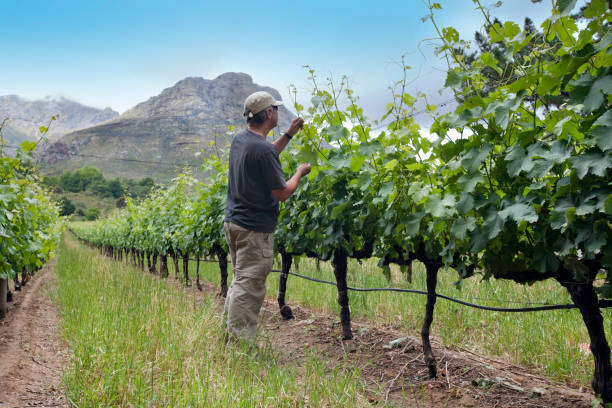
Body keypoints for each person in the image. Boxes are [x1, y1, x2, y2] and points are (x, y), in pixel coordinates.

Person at [223, 91, 311, 345]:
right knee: (248, 287)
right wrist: (299, 173)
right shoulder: (261, 149)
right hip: (254, 230)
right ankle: (240, 347)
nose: (278, 112)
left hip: (235, 223)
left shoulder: (242, 140)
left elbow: (267, 153)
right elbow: (282, 192)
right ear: (268, 114)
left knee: (240, 280)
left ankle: (228, 336)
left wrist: (289, 134)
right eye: (276, 108)